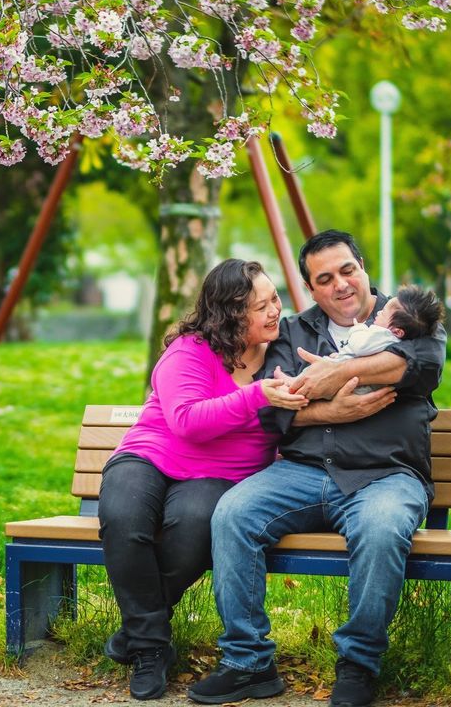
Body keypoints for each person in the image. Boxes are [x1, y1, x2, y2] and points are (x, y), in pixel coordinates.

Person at [188, 230, 446, 707]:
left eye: (347, 270)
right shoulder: (293, 331)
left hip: (386, 476)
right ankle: (248, 662)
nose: (340, 285)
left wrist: (334, 373)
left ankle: (358, 664)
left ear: (363, 267)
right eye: (324, 279)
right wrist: (333, 409)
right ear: (311, 288)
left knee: (383, 527)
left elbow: (421, 366)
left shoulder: (406, 316)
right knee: (233, 514)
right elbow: (271, 408)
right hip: (303, 472)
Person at [98, 259, 308, 700]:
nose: (276, 311)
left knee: (194, 529)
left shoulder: (285, 348)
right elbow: (187, 422)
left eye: (276, 299)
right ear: (231, 313)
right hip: (152, 454)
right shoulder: (191, 350)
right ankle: (152, 648)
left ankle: (136, 633)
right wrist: (256, 395)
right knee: (123, 518)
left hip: (220, 473)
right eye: (261, 305)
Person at [329, 285, 444, 393]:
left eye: (383, 312)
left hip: (357, 389)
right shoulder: (400, 340)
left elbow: (359, 346)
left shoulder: (383, 335)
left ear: (397, 332)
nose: (378, 312)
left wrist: (358, 329)